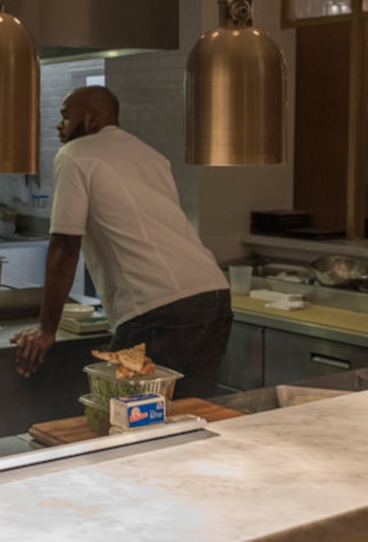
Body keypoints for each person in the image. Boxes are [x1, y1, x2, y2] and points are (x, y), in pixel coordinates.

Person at [12, 87, 232, 399]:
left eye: (65, 117)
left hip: (158, 307)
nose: (59, 126)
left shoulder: (75, 154)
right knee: (191, 413)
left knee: (126, 417)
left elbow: (64, 247)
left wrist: (47, 330)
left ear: (90, 120)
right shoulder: (151, 155)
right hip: (213, 296)